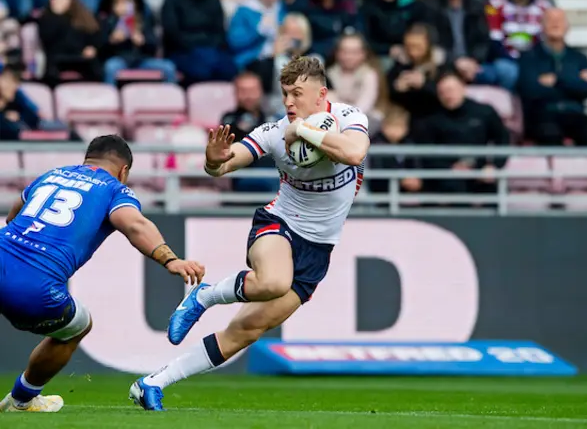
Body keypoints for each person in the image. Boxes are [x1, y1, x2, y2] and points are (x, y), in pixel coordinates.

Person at [129, 56, 370, 411]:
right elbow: (223, 165)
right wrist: (213, 159)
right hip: (280, 225)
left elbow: (353, 152)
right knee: (272, 281)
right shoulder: (273, 133)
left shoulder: (350, 118)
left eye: (297, 94)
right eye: (285, 93)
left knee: (246, 332)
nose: (289, 102)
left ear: (321, 94)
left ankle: (152, 383)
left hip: (318, 249)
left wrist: (304, 130)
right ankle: (205, 296)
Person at [0, 135, 205, 413]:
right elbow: (135, 225)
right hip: (33, 284)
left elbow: (13, 216)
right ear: (124, 171)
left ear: (87, 158)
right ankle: (21, 400)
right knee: (77, 327)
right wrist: (171, 260)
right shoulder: (113, 189)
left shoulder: (52, 175)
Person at [518, 8, 587, 147]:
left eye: (560, 20)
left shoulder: (578, 57)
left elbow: (586, 89)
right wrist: (573, 81)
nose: (555, 24)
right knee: (549, 133)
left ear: (567, 27)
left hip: (573, 114)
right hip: (542, 115)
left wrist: (556, 80)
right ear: (541, 26)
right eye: (550, 20)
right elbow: (530, 89)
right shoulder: (529, 57)